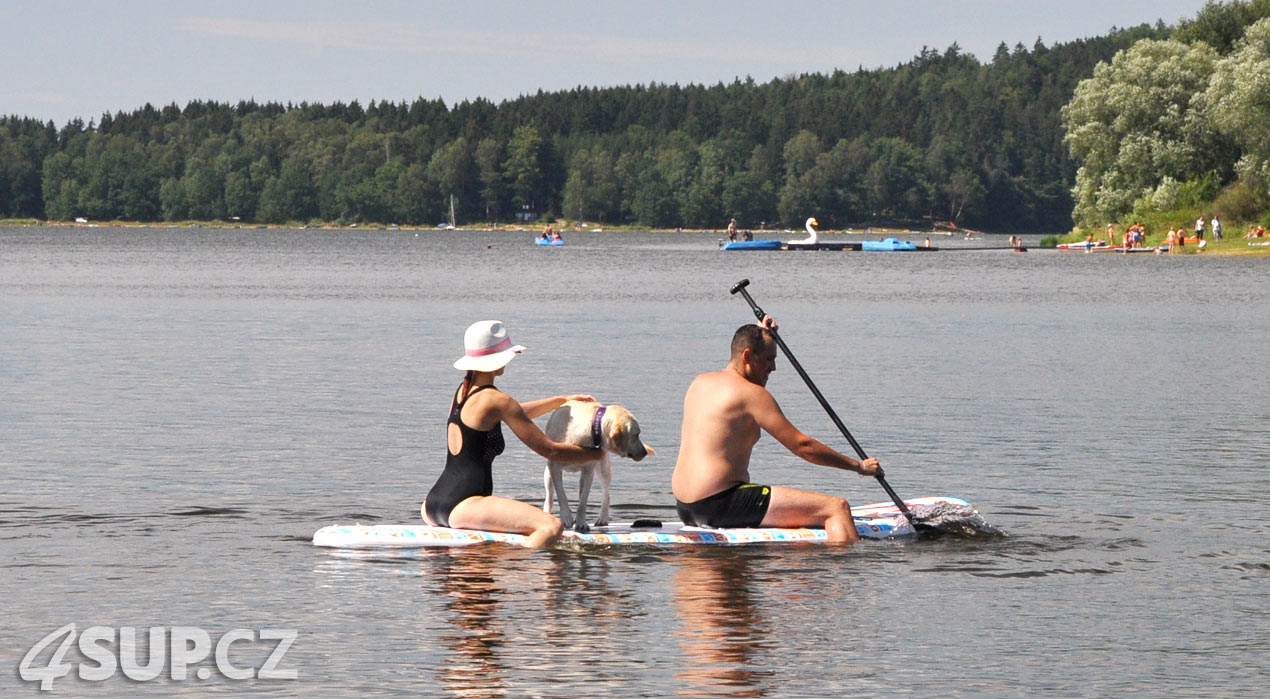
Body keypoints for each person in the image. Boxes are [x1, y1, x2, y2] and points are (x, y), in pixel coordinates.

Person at [671, 316, 883, 544]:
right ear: (747, 356)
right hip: (721, 503)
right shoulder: (751, 394)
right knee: (836, 508)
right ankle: (851, 573)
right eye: (769, 359)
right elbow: (803, 446)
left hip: (685, 507)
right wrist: (858, 466)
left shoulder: (699, 383)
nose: (773, 367)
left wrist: (762, 335)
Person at [423, 320, 602, 548]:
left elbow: (516, 414)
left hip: (433, 504)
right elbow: (550, 450)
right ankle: (515, 570)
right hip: (465, 504)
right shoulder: (498, 400)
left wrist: (562, 400)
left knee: (540, 525)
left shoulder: (464, 392)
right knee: (551, 527)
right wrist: (595, 454)